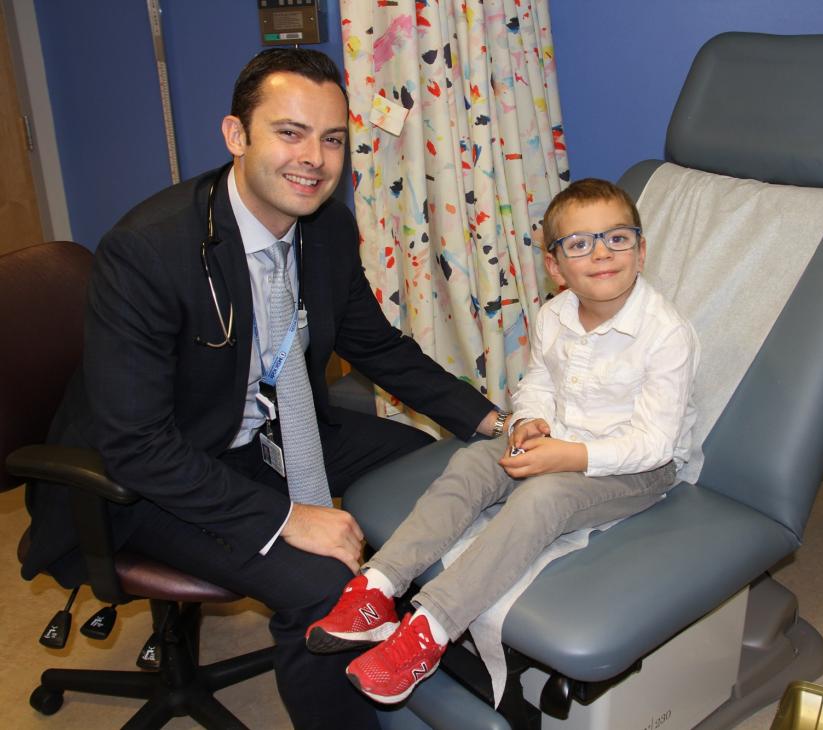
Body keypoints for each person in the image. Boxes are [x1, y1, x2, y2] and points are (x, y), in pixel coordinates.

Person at [20, 49, 505, 730]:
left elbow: (375, 344)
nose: (314, 157)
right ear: (235, 135)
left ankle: (434, 662)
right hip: (153, 473)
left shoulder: (326, 226)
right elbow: (135, 445)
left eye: (332, 138)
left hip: (272, 431)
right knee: (327, 590)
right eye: (290, 132)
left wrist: (487, 420)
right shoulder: (148, 252)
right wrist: (287, 518)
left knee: (441, 472)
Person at [306, 178, 700, 705]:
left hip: (639, 467)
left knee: (544, 496)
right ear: (555, 267)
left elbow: (654, 442)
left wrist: (570, 458)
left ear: (641, 249)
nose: (602, 253)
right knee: (473, 463)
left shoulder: (666, 333)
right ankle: (379, 587)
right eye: (580, 243)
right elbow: (537, 382)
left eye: (618, 238)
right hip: (560, 438)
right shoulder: (554, 315)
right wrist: (529, 422)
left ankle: (431, 629)